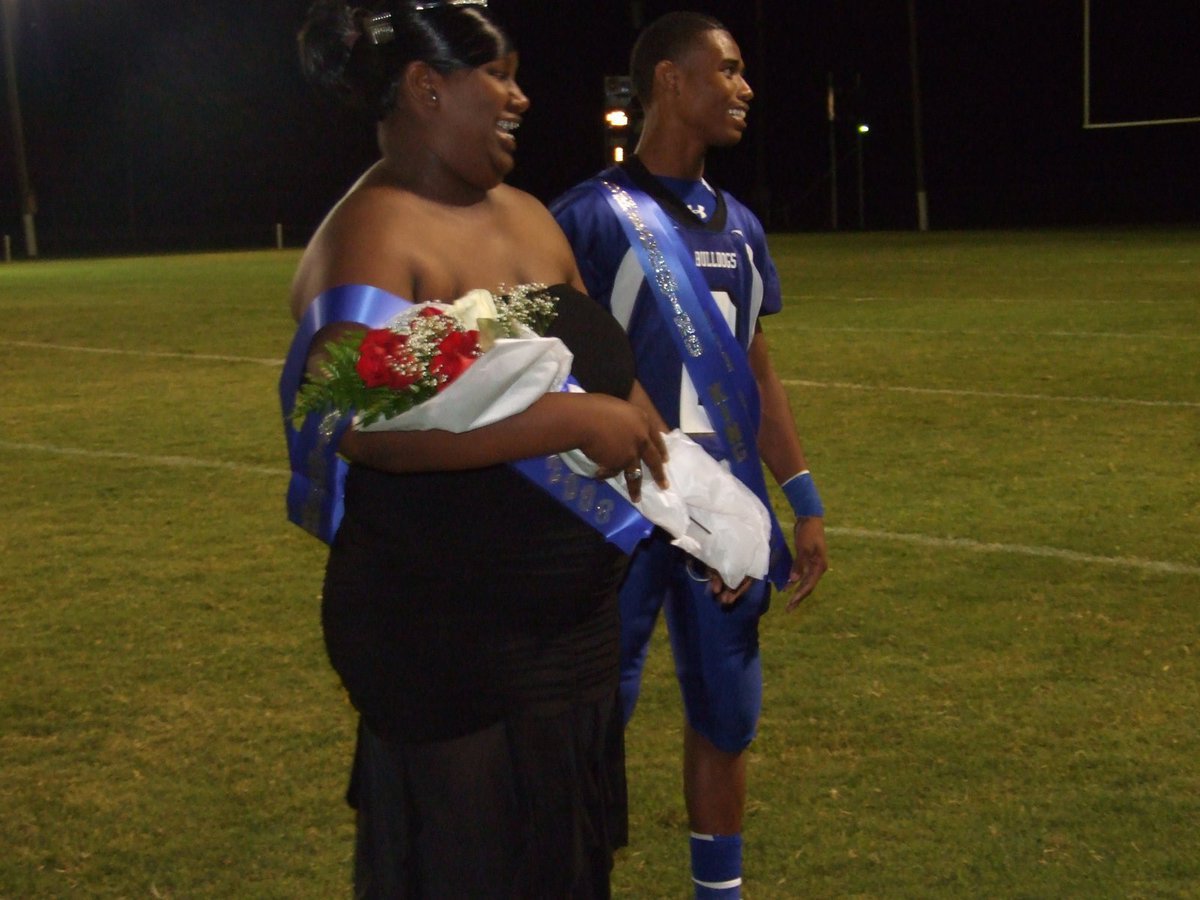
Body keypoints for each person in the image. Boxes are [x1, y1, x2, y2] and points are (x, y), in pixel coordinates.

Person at [284, 2, 671, 896]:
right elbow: (360, 421)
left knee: (565, 868)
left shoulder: (530, 216)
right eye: (498, 75)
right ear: (428, 88)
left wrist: (676, 478)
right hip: (446, 633)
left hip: (568, 632)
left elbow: (594, 356)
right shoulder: (376, 232)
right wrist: (571, 425)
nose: (520, 98)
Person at [550, 12, 829, 899]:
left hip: (724, 517)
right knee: (593, 713)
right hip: (621, 511)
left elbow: (756, 373)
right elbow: (548, 366)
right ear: (670, 82)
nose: (745, 88)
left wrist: (801, 496)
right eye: (729, 70)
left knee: (726, 715)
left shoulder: (742, 227)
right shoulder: (587, 217)